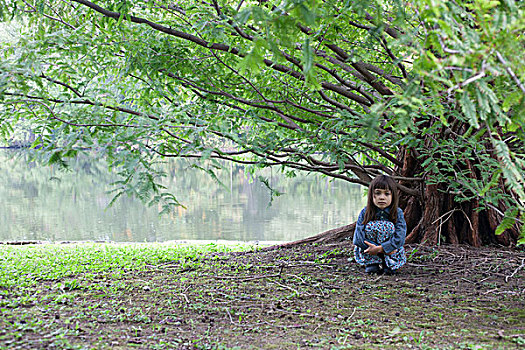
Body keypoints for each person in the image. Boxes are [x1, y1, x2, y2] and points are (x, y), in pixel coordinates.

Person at [353, 175, 407, 274]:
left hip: (391, 250)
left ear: (393, 196)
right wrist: (373, 249)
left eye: (387, 194)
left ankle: (389, 263)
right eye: (377, 193)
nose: (382, 197)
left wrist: (382, 248)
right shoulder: (365, 212)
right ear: (371, 195)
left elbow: (400, 236)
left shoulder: (397, 213)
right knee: (370, 227)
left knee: (388, 227)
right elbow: (358, 237)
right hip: (369, 249)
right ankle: (371, 263)